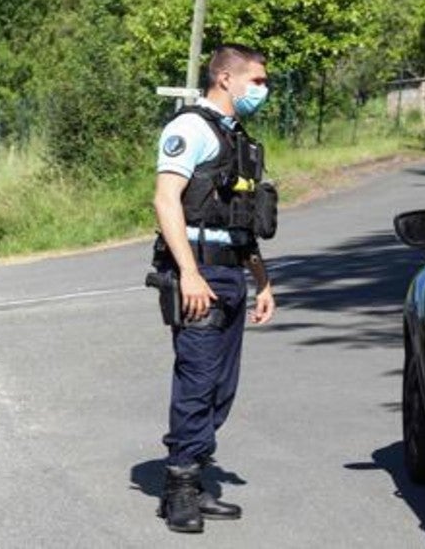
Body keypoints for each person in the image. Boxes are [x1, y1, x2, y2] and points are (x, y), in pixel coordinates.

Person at [151, 44, 277, 534]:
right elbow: (166, 202)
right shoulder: (189, 130)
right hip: (197, 271)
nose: (262, 90)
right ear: (225, 78)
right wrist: (188, 273)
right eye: (257, 81)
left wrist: (263, 282)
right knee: (198, 379)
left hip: (229, 272)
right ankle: (178, 486)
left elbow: (239, 221)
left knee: (222, 386)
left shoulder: (236, 138)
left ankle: (196, 475)